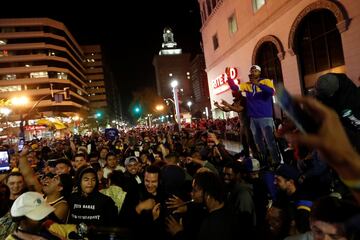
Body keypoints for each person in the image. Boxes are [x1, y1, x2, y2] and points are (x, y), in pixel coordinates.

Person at [230, 65, 281, 167]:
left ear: (259, 72)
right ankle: (264, 161)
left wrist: (258, 84)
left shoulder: (266, 81)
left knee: (270, 142)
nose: (253, 72)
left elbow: (271, 92)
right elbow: (235, 88)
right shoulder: (247, 85)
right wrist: (229, 78)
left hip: (265, 117)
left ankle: (276, 162)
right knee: (258, 143)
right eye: (251, 70)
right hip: (253, 119)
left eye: (255, 70)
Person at [6, 191, 76, 240]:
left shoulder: (47, 226)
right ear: (22, 220)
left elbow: (68, 229)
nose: (45, 218)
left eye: (44, 214)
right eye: (39, 217)